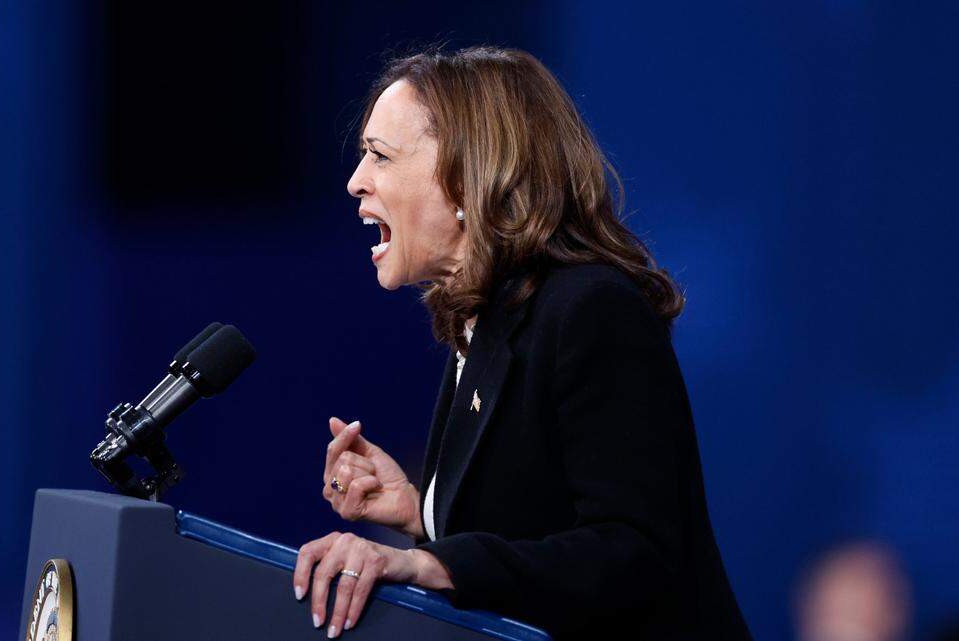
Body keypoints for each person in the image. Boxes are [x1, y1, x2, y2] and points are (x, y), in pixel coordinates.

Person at [291, 45, 753, 640]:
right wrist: (423, 512)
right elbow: (535, 536)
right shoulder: (486, 322)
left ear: (468, 175)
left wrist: (426, 562)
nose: (356, 182)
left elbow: (632, 548)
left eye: (380, 156)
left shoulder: (590, 308)